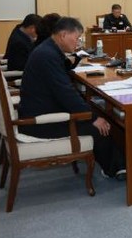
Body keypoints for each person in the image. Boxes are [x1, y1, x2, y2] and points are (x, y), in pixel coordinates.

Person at [18, 17, 126, 180]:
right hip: (40, 122)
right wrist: (93, 118)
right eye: (76, 38)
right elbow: (66, 93)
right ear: (63, 35)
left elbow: (62, 82)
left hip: (40, 109)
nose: (78, 42)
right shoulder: (47, 55)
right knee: (99, 126)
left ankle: (117, 161)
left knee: (93, 112)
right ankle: (116, 169)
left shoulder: (48, 49)